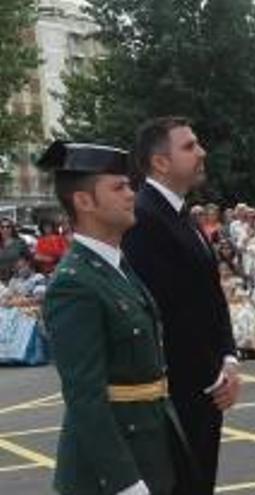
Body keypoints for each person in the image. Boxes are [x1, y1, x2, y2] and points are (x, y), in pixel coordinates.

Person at [38, 141, 188, 495]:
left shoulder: (115, 267)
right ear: (84, 202)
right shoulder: (74, 284)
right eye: (118, 187)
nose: (131, 194)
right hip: (108, 477)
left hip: (149, 454)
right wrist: (124, 482)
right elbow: (84, 397)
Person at [122, 117, 241, 495]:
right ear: (160, 162)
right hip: (177, 393)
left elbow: (210, 295)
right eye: (189, 146)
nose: (202, 152)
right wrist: (210, 372)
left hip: (206, 385)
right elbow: (161, 314)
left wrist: (229, 358)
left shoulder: (181, 214)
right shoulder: (144, 217)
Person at [0, 218, 28, 283]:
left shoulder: (20, 242)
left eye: (8, 227)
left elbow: (27, 259)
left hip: (17, 279)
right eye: (2, 227)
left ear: (12, 228)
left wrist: (23, 263)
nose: (5, 229)